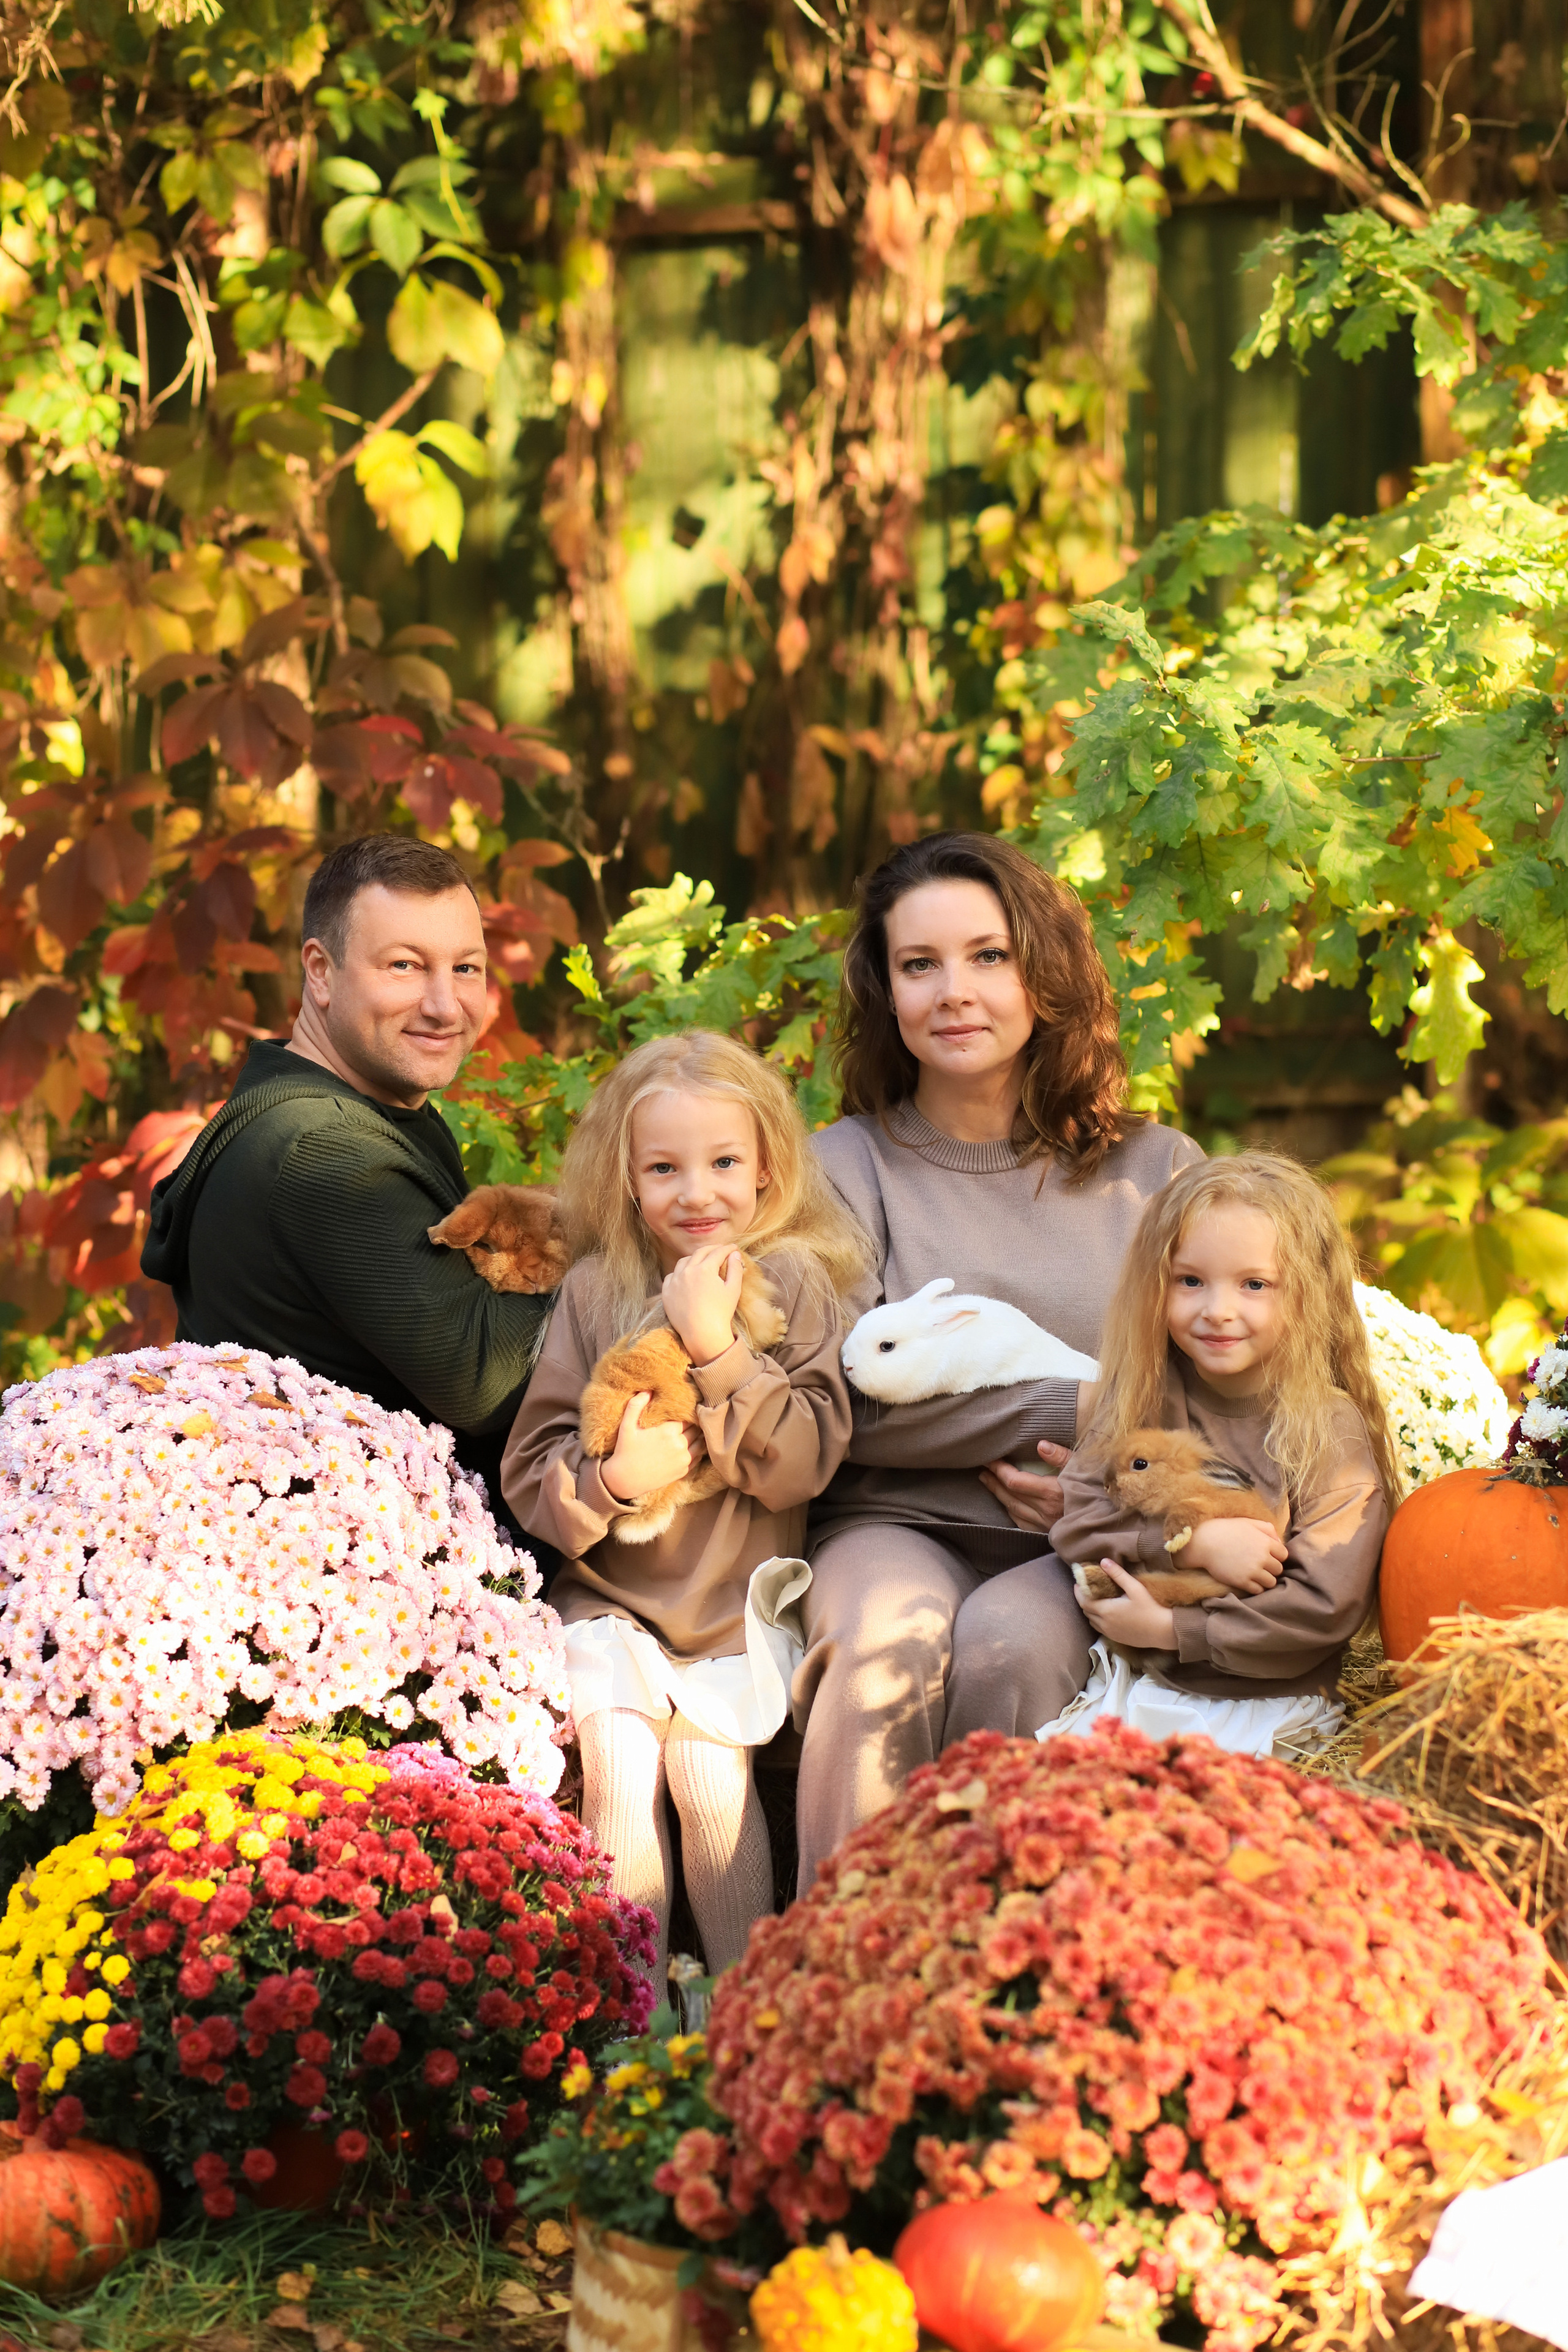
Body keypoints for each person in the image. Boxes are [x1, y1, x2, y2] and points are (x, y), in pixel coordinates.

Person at [797, 831, 1203, 1890]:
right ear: (885, 990)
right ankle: (829, 1981)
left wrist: (1099, 1482)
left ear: (1045, 972)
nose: (954, 992)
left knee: (1007, 1652)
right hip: (891, 1521)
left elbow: (1214, 1396)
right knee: (884, 1645)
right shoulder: (843, 1169)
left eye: (988, 956)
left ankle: (995, 1981)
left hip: (1080, 1536)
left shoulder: (1156, 1174)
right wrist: (1083, 1400)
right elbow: (843, 1410)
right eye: (918, 965)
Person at [502, 1030, 871, 1981]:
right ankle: (620, 2015)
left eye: (722, 1163)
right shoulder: (596, 1291)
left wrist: (716, 1351)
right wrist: (614, 1483)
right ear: (627, 1179)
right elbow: (531, 1463)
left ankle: (746, 2009)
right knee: (620, 1770)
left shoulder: (794, 1288)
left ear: (766, 1170)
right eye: (664, 1167)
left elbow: (797, 1466)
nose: (695, 1192)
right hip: (612, 1599)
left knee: (710, 1783)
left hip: (729, 1609)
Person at [141, 834, 549, 1509]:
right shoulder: (322, 1149)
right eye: (404, 966)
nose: (446, 1005)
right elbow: (489, 1378)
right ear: (321, 972)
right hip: (364, 1580)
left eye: (467, 969)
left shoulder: (351, 1110)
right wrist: (644, 1253)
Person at [1014, 1152, 1401, 1757]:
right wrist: (1186, 1543)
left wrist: (1175, 1630)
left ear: (1305, 1292)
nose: (1217, 1309)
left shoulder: (1325, 1428)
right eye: (1190, 1281)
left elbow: (1323, 1607)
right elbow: (1080, 1511)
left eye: (1253, 1285)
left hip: (1265, 1701)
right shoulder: (1145, 1391)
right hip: (1138, 1682)